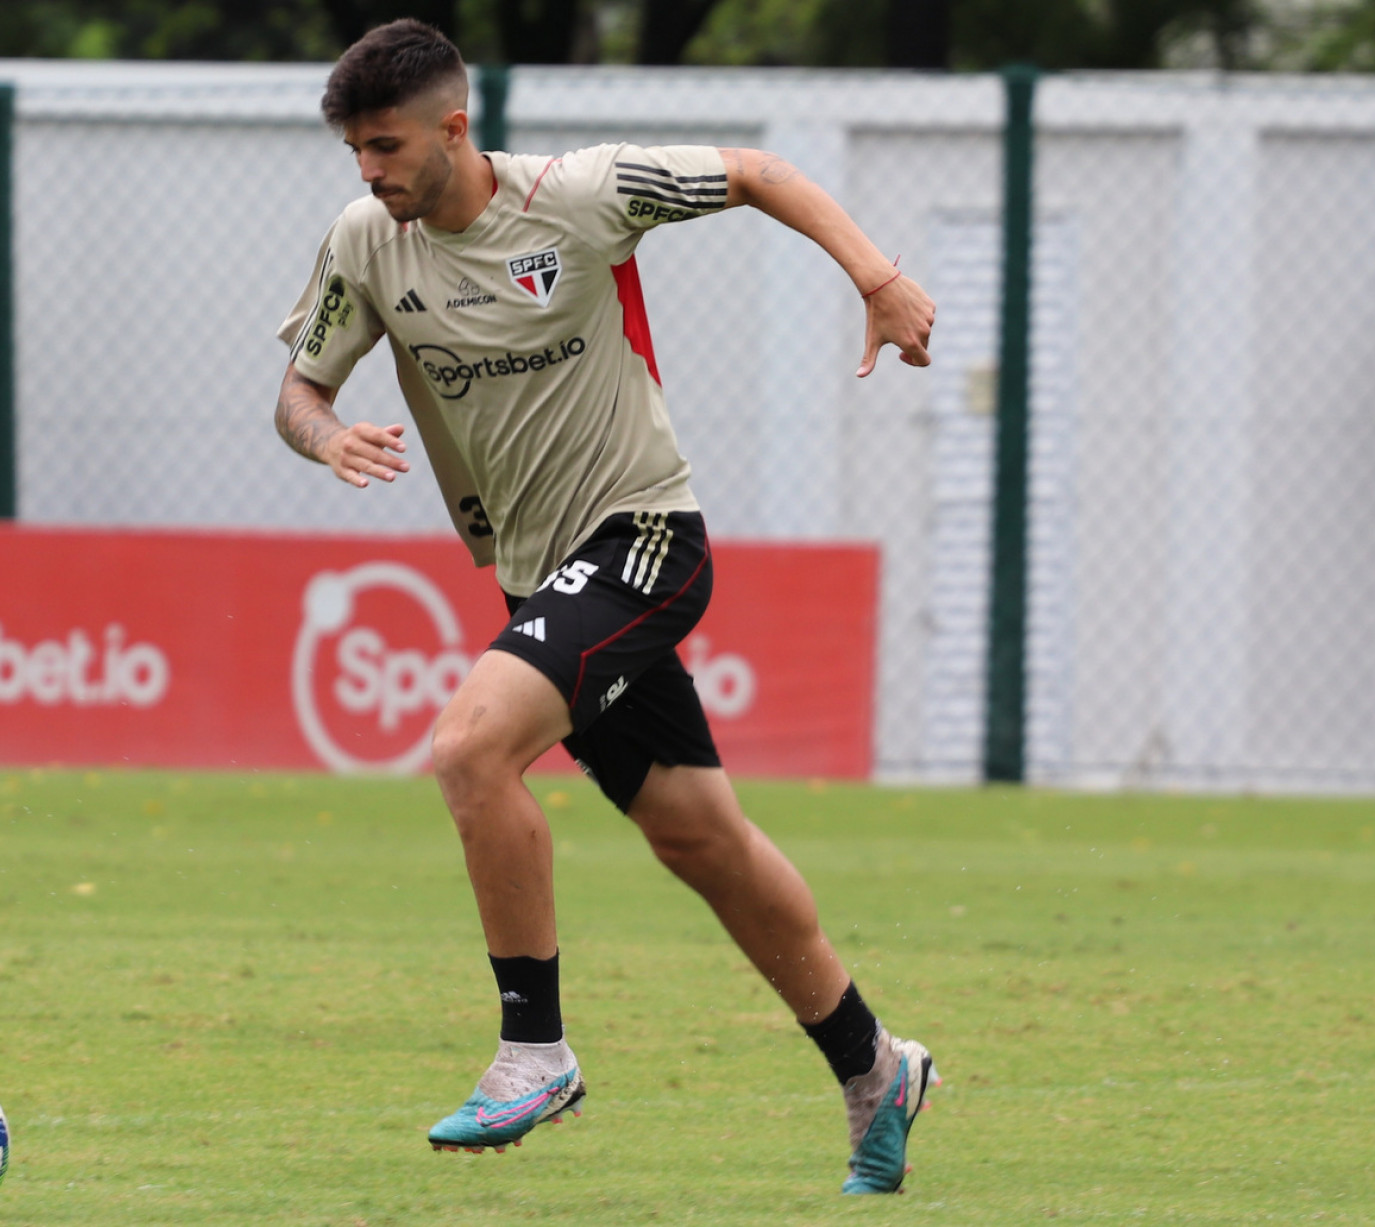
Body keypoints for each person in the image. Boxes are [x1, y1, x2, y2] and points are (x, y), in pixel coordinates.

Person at [274, 19, 939, 1195]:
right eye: (355, 153)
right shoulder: (365, 243)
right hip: (543, 577)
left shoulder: (577, 197)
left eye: (385, 146)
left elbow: (757, 173)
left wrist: (878, 280)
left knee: (471, 747)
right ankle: (874, 1066)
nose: (369, 173)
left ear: (452, 129)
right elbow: (299, 391)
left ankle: (534, 1050)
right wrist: (328, 438)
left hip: (643, 538)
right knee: (701, 838)